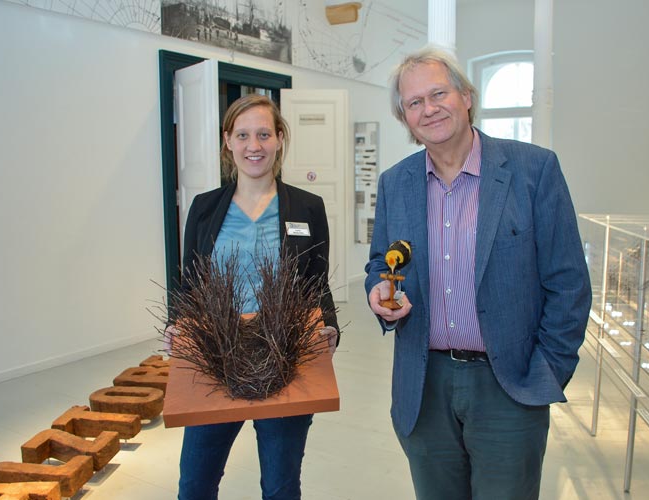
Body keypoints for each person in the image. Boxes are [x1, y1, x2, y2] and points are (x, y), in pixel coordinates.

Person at [364, 46, 592, 500]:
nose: (429, 109)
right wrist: (378, 291)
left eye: (438, 93)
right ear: (404, 118)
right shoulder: (396, 182)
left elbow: (568, 283)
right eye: (414, 103)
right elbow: (379, 262)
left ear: (466, 96)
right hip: (423, 384)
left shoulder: (533, 170)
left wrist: (546, 370)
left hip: (508, 383)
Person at [174, 94, 339, 500]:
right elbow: (187, 284)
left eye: (264, 134)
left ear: (280, 138)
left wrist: (330, 325)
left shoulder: (307, 207)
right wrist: (174, 326)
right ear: (227, 140)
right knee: (195, 485)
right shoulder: (204, 208)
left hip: (286, 358)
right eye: (243, 135)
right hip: (215, 358)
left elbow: (317, 282)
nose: (254, 145)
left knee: (281, 488)